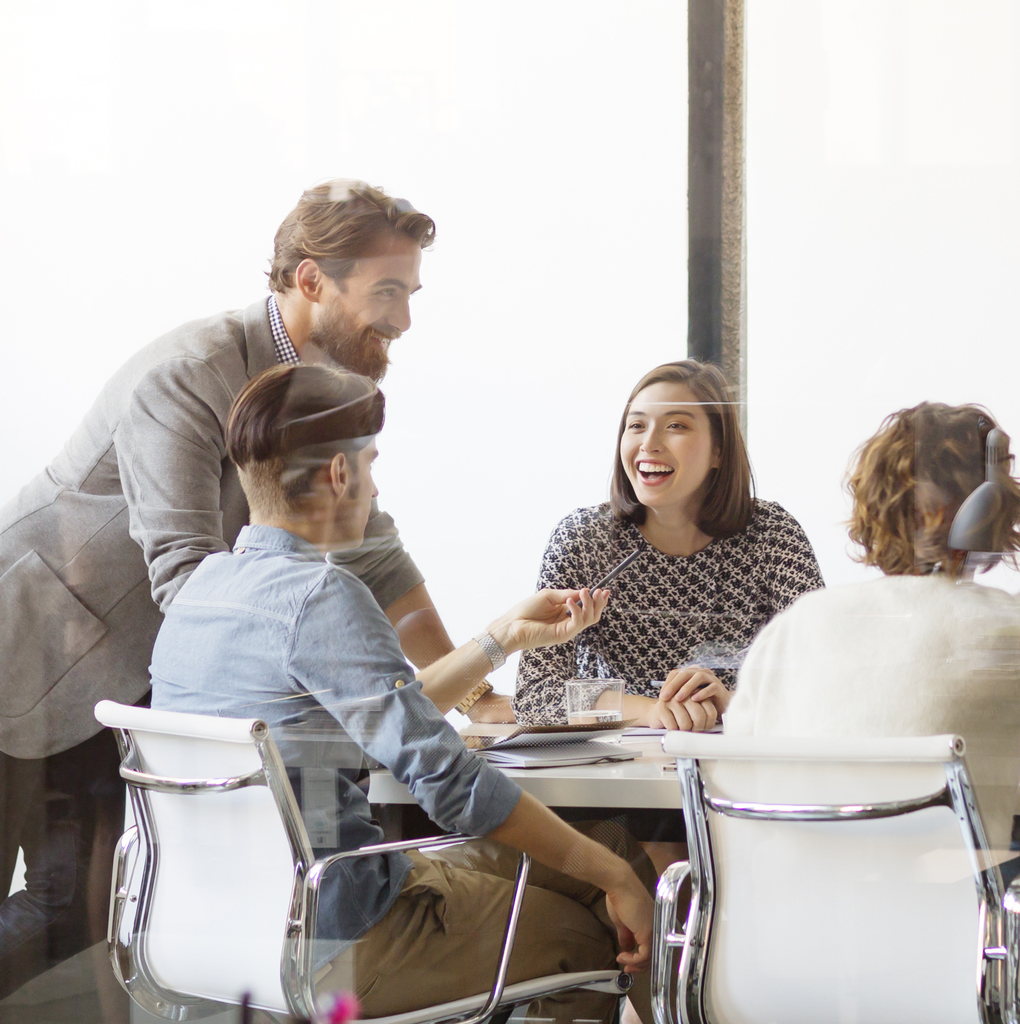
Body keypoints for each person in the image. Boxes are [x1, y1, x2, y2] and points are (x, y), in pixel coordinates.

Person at [0, 180, 501, 1000]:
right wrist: (316, 665)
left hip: (113, 677)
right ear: (311, 279)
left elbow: (379, 552)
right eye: (388, 291)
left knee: (80, 909)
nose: (403, 319)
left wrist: (479, 695)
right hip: (5, 650)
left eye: (410, 292)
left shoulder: (320, 389)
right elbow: (186, 579)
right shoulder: (189, 375)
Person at [151, 364, 655, 1023]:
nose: (375, 485)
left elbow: (385, 711)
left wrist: (501, 637)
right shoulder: (321, 596)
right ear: (339, 474)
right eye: (372, 464)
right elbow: (451, 783)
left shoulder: (202, 593)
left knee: (608, 846)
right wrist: (614, 883)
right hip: (341, 936)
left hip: (210, 933)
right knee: (603, 922)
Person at [725, 402, 1020, 1023]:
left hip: (787, 964)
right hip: (955, 969)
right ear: (988, 510)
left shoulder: (791, 629)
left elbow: (742, 776)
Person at [513, 360, 824, 730]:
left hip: (739, 761)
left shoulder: (772, 534)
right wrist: (648, 710)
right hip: (610, 769)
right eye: (637, 426)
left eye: (675, 426)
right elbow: (533, 694)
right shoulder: (583, 538)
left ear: (718, 452)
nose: (649, 443)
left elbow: (823, 678)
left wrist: (735, 703)